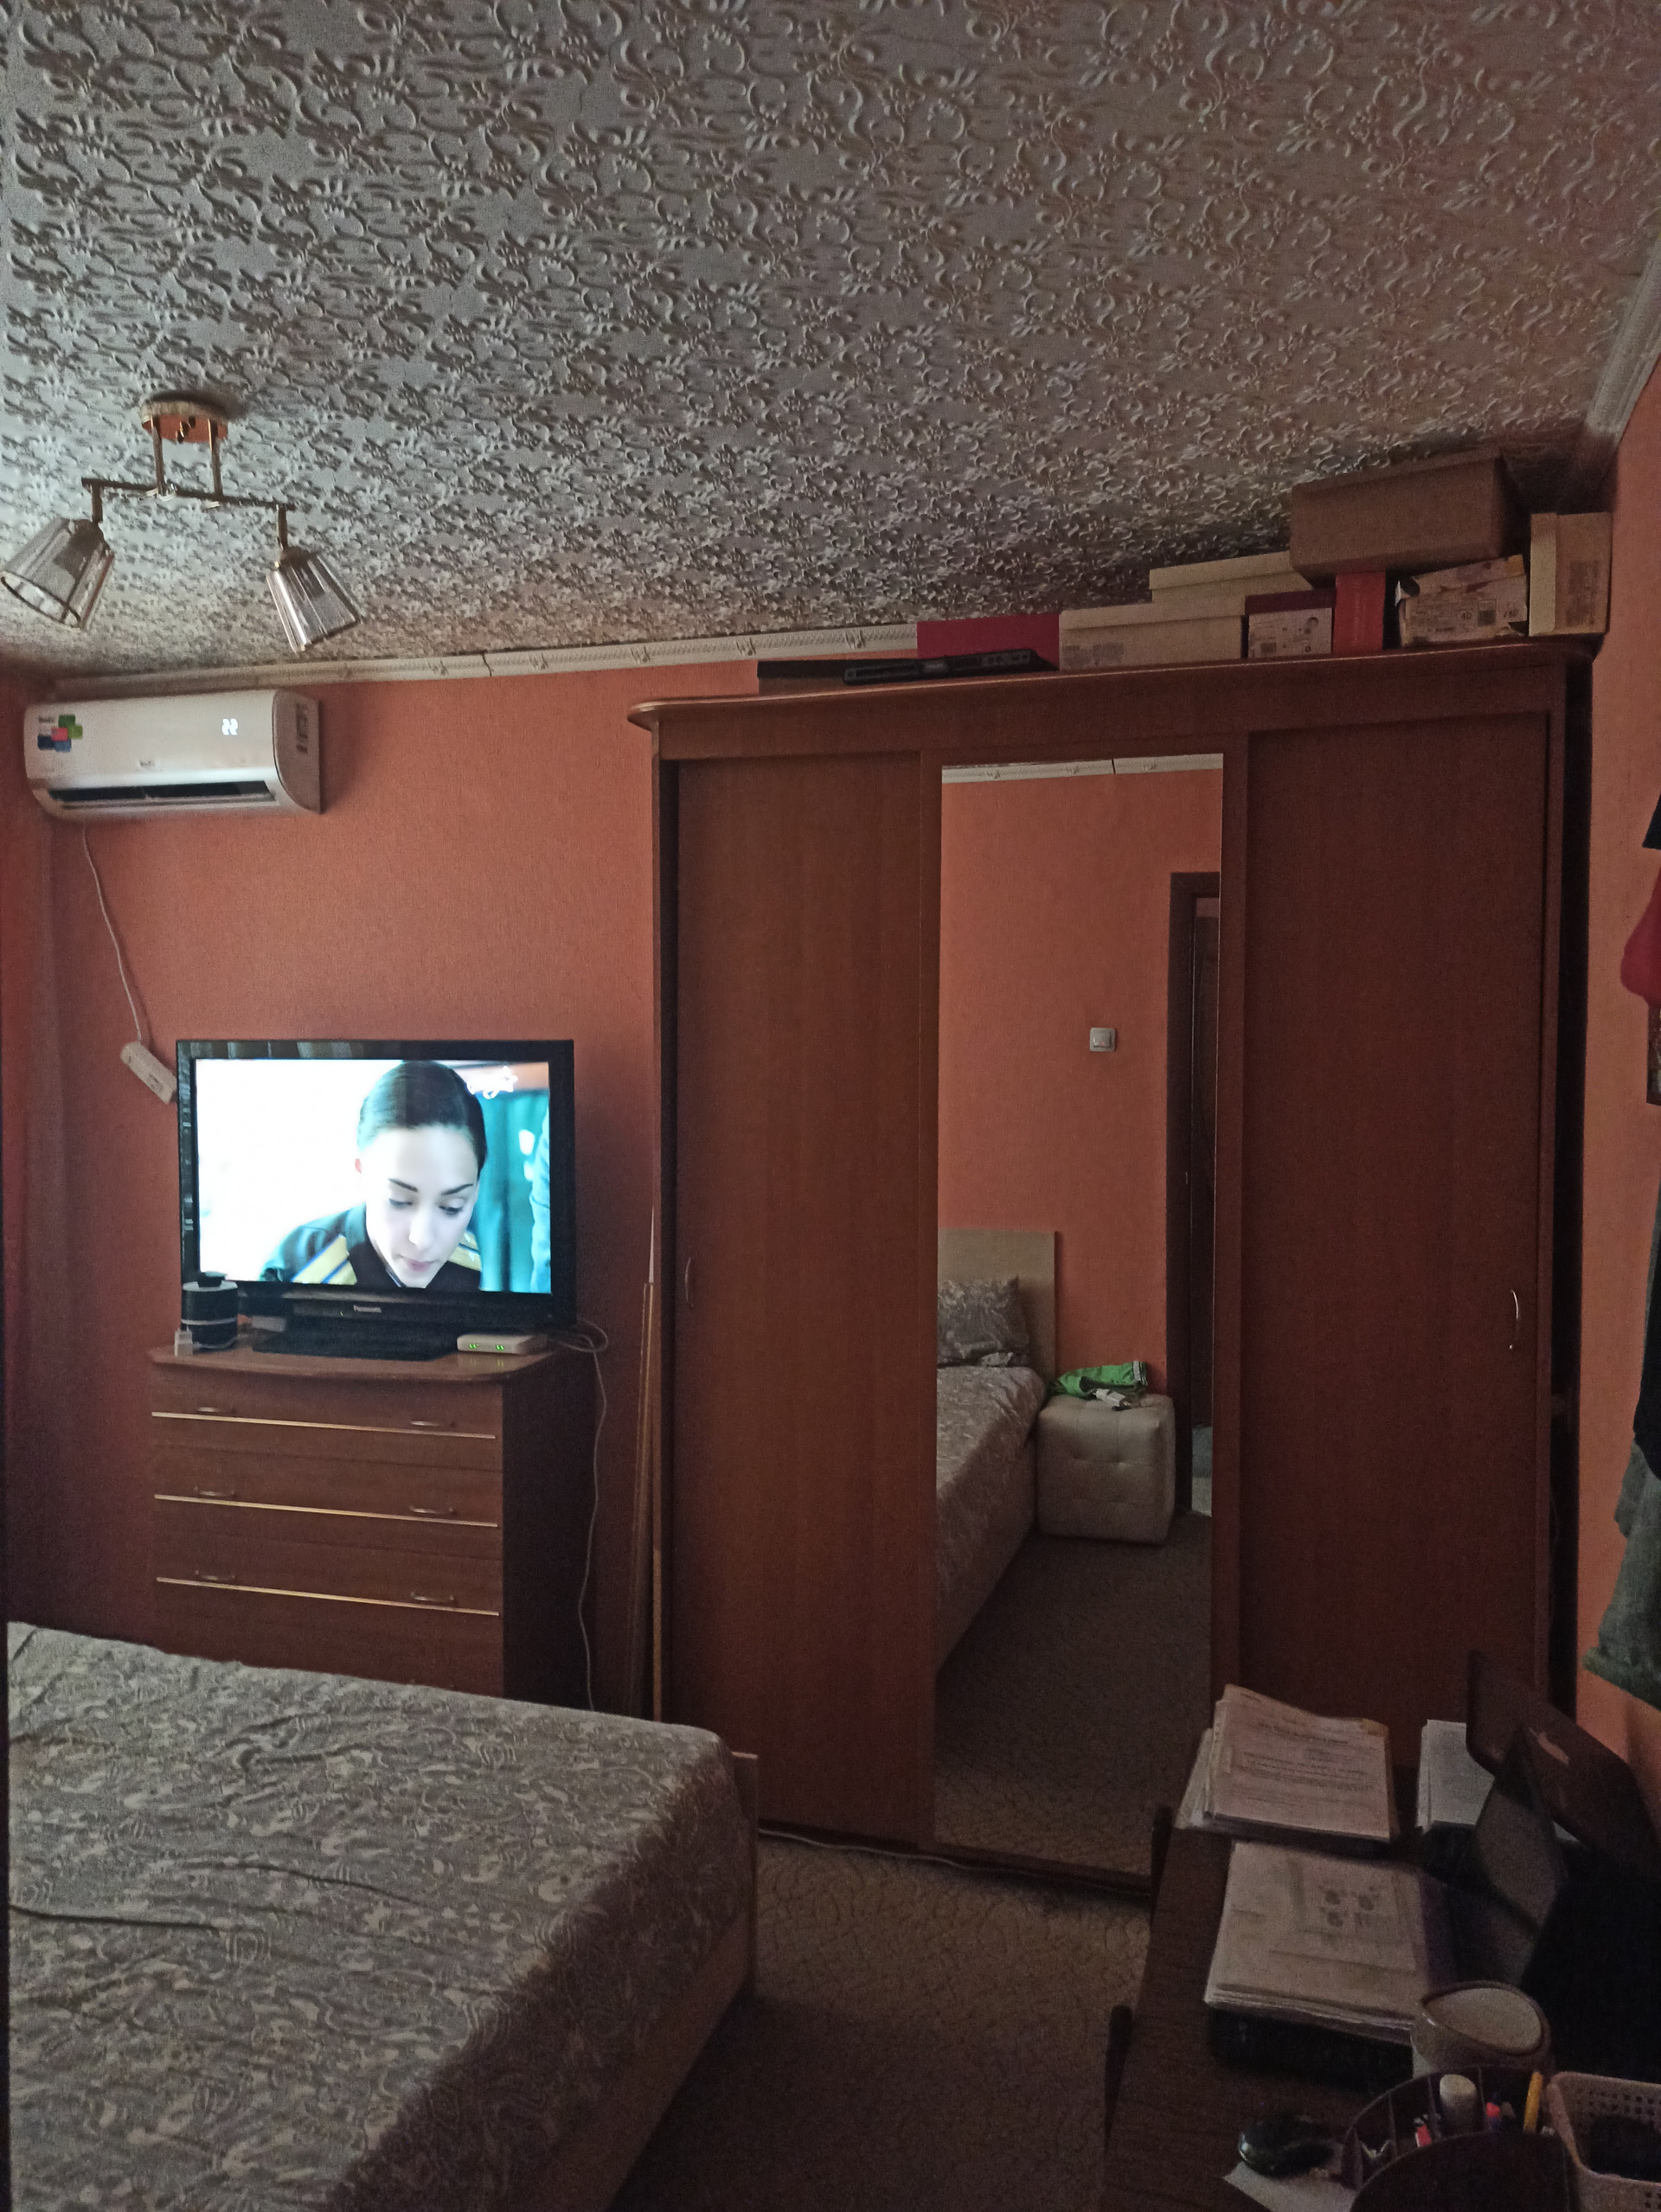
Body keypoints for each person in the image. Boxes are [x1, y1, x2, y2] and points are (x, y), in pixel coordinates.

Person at [263, 1061, 488, 1292]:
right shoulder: (298, 1269)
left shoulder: (467, 1263)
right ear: (362, 1173)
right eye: (399, 1201)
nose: (422, 1240)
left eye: (452, 1207)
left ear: (476, 1191)